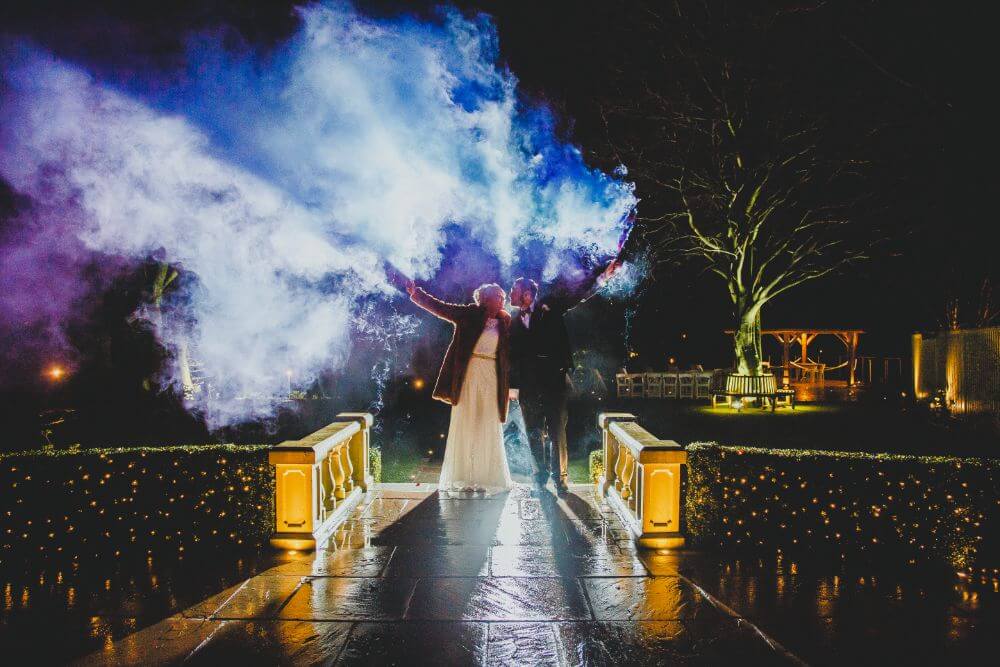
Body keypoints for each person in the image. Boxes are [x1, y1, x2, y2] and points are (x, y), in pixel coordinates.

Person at [509, 260, 620, 494]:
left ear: (527, 295)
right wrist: (513, 386)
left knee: (557, 432)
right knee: (532, 432)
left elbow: (577, 295)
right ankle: (539, 478)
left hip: (554, 381)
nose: (511, 294)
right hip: (528, 386)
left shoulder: (550, 306)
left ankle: (561, 480)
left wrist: (603, 276)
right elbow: (511, 356)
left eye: (514, 291)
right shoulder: (513, 321)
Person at [406, 278, 513, 495]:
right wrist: (417, 294)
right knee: (467, 422)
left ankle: (485, 479)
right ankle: (464, 479)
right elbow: (440, 308)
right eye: (499, 296)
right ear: (487, 299)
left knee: (487, 423)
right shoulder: (469, 314)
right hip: (469, 375)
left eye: (504, 297)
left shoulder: (505, 322)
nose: (504, 299)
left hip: (492, 376)